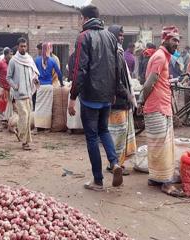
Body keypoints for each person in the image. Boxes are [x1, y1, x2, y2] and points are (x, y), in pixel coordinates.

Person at [68, 5, 123, 191]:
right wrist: (114, 91)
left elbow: (79, 69)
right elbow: (117, 67)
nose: (79, 22)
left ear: (84, 18)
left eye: (79, 18)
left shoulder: (83, 37)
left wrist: (73, 96)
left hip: (90, 95)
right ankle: (114, 163)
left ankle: (98, 180)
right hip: (107, 95)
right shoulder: (110, 36)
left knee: (92, 137)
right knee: (104, 130)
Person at [139, 26, 183, 197]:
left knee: (157, 145)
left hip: (161, 106)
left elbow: (158, 80)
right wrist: (141, 101)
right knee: (162, 146)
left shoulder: (162, 56)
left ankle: (155, 178)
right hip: (157, 107)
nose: (177, 44)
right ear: (165, 39)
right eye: (174, 40)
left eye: (178, 40)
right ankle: (166, 182)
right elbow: (150, 82)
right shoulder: (159, 57)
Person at [107, 25, 137, 176]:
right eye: (119, 35)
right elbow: (115, 80)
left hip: (121, 99)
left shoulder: (118, 52)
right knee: (117, 134)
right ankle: (115, 164)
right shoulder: (113, 54)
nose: (122, 37)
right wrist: (128, 95)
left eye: (123, 35)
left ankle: (116, 163)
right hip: (117, 100)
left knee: (120, 133)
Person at [7, 37, 39, 150]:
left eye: (25, 46)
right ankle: (24, 142)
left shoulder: (29, 59)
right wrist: (15, 86)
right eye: (21, 46)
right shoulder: (13, 61)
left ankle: (22, 135)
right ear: (18, 47)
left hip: (29, 93)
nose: (23, 48)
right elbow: (8, 77)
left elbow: (34, 72)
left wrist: (35, 79)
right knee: (24, 116)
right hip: (19, 94)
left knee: (27, 116)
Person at [34, 42, 63, 131]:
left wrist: (35, 82)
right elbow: (59, 73)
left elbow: (33, 72)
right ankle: (46, 128)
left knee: (38, 107)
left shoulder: (37, 60)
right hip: (49, 86)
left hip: (40, 87)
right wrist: (61, 83)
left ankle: (37, 127)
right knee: (47, 108)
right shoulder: (53, 60)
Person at [0, 47, 13, 131]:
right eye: (10, 54)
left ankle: (7, 123)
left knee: (9, 106)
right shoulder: (0, 63)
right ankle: (0, 124)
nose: (11, 56)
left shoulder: (12, 64)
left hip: (10, 89)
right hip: (1, 88)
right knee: (1, 105)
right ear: (5, 55)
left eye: (12, 54)